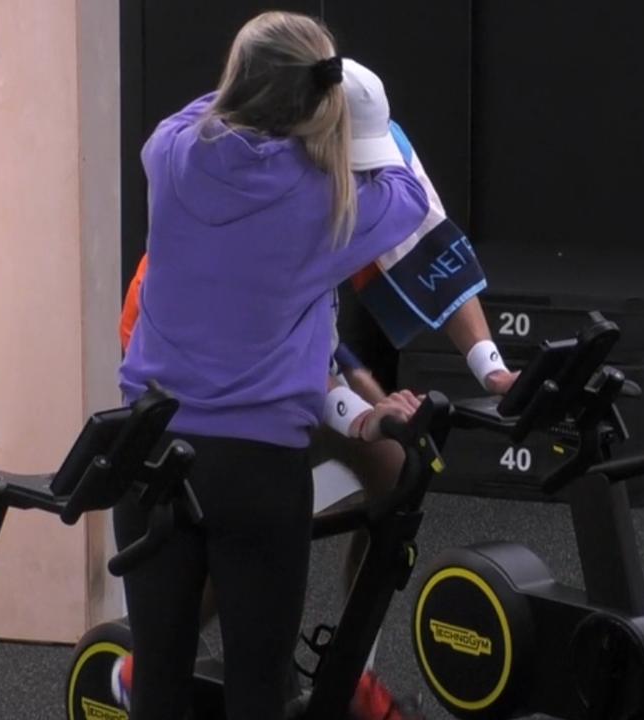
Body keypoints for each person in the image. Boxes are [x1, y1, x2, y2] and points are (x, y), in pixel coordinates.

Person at [116, 57, 519, 719]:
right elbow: (280, 348)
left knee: (394, 472)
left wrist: (491, 367)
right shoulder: (251, 180)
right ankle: (162, 651)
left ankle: (349, 674)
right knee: (247, 499)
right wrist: (357, 409)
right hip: (189, 340)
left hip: (300, 318)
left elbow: (429, 245)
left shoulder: (370, 135)